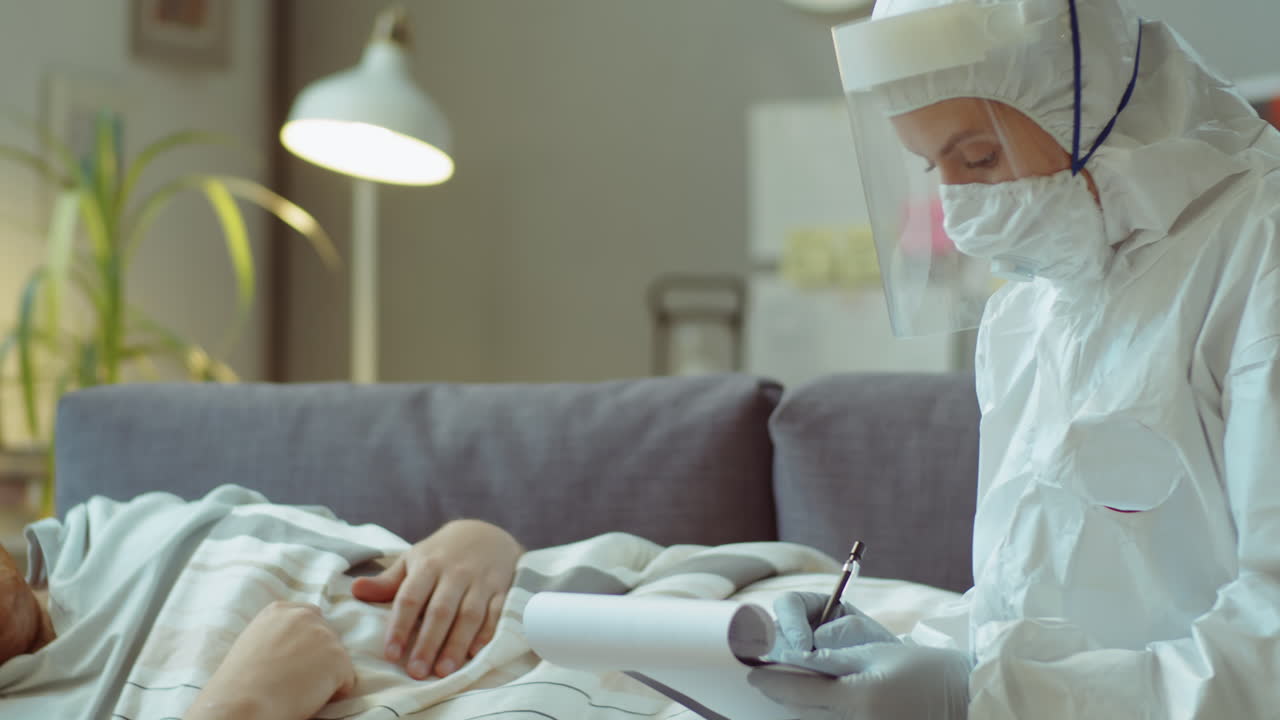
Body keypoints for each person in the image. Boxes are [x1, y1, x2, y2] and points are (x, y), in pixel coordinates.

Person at [747, 0, 1280, 718]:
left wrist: (979, 693)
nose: (960, 206)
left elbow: (1269, 645)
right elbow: (1023, 597)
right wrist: (918, 653)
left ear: (1087, 103)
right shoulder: (1031, 308)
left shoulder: (1259, 251)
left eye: (978, 156)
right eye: (930, 164)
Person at [0, 486, 525, 720]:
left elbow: (371, 557)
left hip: (583, 604)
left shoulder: (112, 525)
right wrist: (238, 709)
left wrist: (480, 544)